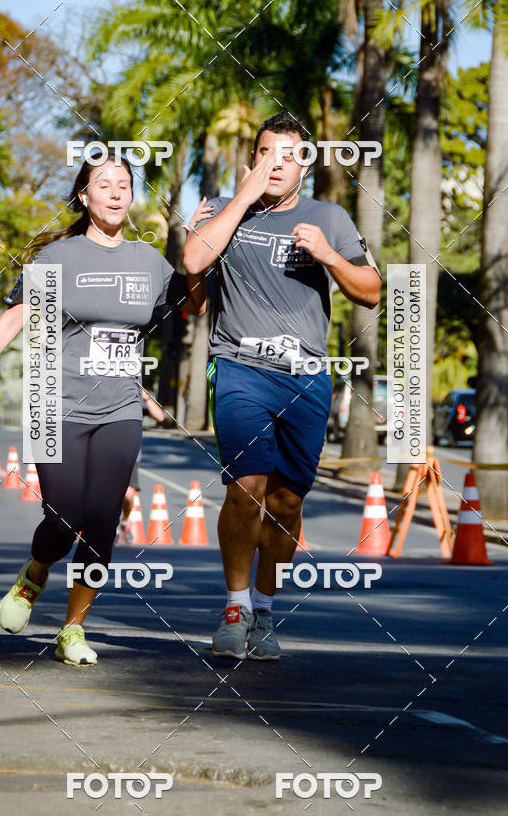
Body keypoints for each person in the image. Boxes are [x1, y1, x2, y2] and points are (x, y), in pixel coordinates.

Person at [0, 155, 205, 665]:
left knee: (103, 522)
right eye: (102, 184)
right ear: (83, 196)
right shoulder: (58, 258)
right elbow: (14, 319)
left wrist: (200, 249)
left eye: (123, 184)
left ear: (131, 197)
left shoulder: (149, 263)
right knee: (63, 521)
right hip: (54, 402)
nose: (114, 192)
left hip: (120, 407)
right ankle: (35, 573)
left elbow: (192, 305)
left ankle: (72, 629)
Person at [183, 111, 381, 661]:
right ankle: (234, 607)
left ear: (305, 165)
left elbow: (371, 291)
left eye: (289, 155)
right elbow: (194, 260)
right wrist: (239, 199)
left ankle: (265, 610)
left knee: (288, 502)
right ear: (253, 158)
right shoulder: (224, 211)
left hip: (306, 376)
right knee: (247, 485)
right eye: (267, 152)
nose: (277, 163)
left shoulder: (329, 217)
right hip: (240, 366)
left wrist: (327, 254)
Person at [119, 388, 167, 542]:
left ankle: (125, 521)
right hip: (104, 451)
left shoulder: (135, 393)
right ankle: (109, 526)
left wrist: (145, 397)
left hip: (131, 454)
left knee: (128, 495)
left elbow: (160, 417)